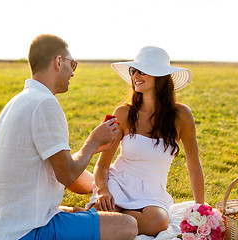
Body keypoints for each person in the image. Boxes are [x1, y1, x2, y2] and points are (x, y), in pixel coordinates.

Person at [0, 34, 138, 240]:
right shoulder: (45, 104)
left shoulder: (20, 100)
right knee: (127, 225)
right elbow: (67, 175)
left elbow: (66, 174)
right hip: (28, 231)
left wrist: (103, 186)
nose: (73, 72)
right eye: (73, 64)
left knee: (83, 213)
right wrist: (93, 141)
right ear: (58, 61)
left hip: (2, 226)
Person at [86, 46, 205, 236]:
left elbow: (193, 165)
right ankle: (102, 217)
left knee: (157, 222)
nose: (135, 76)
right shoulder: (123, 113)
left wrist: (201, 208)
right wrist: (102, 191)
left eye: (142, 71)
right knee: (104, 212)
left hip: (152, 193)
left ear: (160, 76)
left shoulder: (182, 115)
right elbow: (103, 166)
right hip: (118, 184)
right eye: (134, 71)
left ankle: (110, 219)